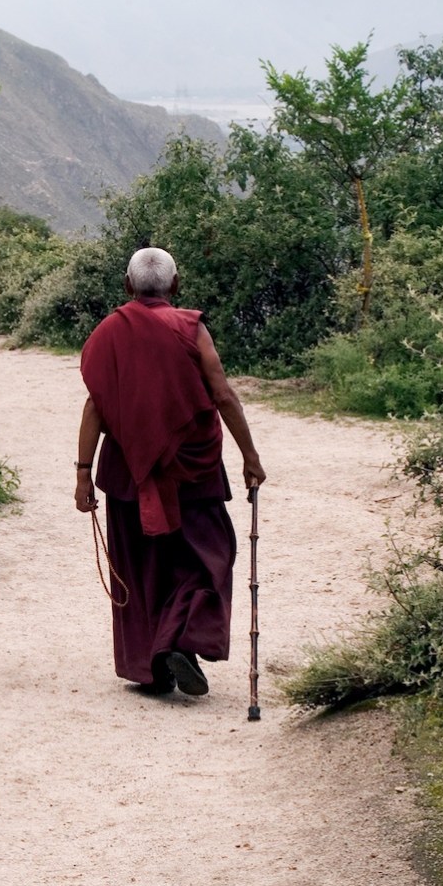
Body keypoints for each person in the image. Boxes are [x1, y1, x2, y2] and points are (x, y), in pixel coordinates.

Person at [74, 246, 266, 698]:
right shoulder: (190, 328)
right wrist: (250, 456)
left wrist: (83, 474)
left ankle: (153, 668)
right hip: (191, 467)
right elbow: (222, 395)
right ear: (175, 286)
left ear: (127, 286)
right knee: (209, 557)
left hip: (128, 471)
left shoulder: (108, 333)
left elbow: (95, 407)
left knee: (142, 567)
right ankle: (180, 640)